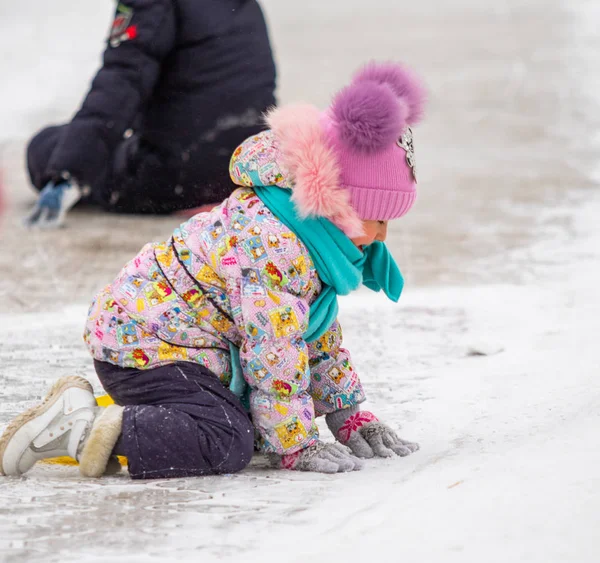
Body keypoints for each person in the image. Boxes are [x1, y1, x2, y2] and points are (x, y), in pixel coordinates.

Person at [1, 62, 425, 478]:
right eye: (378, 220)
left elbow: (310, 333)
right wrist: (297, 445)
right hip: (147, 348)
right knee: (225, 439)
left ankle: (124, 413)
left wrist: (346, 415)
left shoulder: (303, 228)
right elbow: (274, 349)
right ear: (338, 204)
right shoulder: (275, 245)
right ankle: (80, 430)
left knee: (247, 418)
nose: (381, 238)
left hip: (182, 348)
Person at [24, 0, 276, 228]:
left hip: (179, 176)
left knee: (44, 147)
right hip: (243, 170)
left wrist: (68, 172)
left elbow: (121, 83)